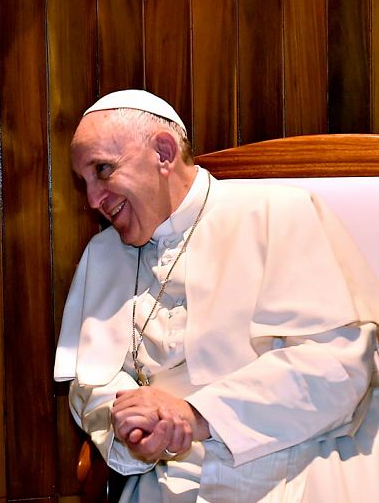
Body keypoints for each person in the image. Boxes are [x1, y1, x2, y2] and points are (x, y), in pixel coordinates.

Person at [54, 89, 379, 502]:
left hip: (296, 466)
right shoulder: (102, 256)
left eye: (103, 170)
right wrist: (131, 430)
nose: (93, 200)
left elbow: (338, 368)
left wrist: (197, 415)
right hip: (164, 481)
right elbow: (90, 382)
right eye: (84, 182)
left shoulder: (278, 213)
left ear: (164, 152)